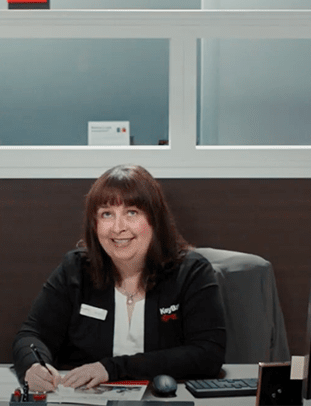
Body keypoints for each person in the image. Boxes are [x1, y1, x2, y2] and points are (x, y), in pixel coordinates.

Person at [12, 164, 226, 391]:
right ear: (94, 225)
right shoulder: (75, 270)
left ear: (154, 220)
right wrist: (34, 366)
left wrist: (111, 368)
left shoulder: (191, 272)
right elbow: (32, 335)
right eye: (106, 214)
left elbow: (208, 354)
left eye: (131, 212)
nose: (118, 227)